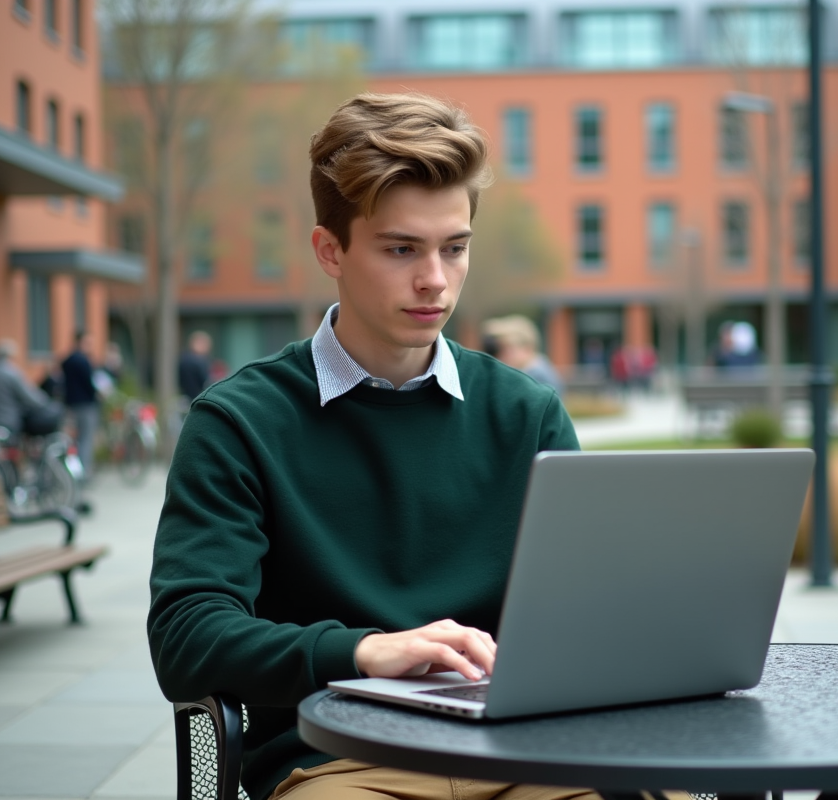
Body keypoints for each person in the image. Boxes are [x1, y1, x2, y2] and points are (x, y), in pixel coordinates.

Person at [148, 93, 583, 800]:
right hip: (340, 762)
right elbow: (187, 637)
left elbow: (591, 608)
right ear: (331, 250)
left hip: (524, 752)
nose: (435, 280)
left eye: (455, 247)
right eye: (402, 248)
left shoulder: (527, 415)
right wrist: (358, 651)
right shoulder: (238, 422)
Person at [0, 339, 59, 438]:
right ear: (11, 356)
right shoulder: (11, 373)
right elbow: (30, 397)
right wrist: (47, 402)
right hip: (9, 423)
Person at [482, 314, 564, 395]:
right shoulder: (535, 369)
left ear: (527, 348)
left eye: (509, 350)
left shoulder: (535, 376)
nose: (503, 356)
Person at [61, 331, 99, 481]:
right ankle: (83, 473)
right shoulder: (83, 361)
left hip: (70, 405)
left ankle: (71, 472)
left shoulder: (67, 360)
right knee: (85, 440)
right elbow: (90, 384)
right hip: (86, 405)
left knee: (72, 441)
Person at [177, 330, 213, 401]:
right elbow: (206, 382)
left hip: (185, 398)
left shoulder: (183, 359)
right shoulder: (199, 361)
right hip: (199, 399)